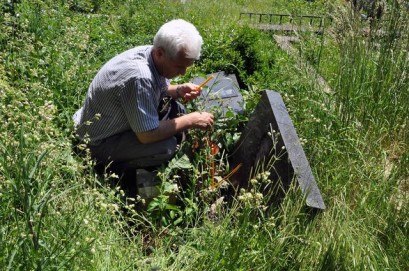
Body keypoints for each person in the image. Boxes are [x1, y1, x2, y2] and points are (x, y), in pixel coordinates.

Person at [73, 19, 214, 179]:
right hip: (97, 142)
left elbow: (157, 87)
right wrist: (191, 120)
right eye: (179, 66)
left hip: (104, 121)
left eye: (186, 67)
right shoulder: (140, 76)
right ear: (160, 53)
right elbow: (147, 135)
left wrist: (178, 90)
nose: (182, 73)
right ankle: (110, 171)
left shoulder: (150, 53)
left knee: (177, 111)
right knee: (166, 147)